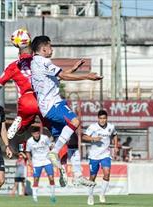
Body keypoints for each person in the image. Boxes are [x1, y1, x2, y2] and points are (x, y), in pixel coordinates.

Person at [30, 35, 103, 186]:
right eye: (50, 46)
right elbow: (62, 75)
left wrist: (74, 69)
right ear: (43, 48)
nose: (52, 49)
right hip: (53, 104)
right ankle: (54, 152)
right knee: (75, 121)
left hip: (46, 107)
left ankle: (74, 174)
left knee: (72, 138)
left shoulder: (36, 62)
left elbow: (57, 77)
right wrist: (87, 77)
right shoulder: (44, 61)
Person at [0, 29, 43, 140]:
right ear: (32, 52)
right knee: (49, 123)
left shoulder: (13, 66)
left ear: (18, 54)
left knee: (25, 121)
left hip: (26, 99)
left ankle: (20, 124)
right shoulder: (39, 62)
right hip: (41, 98)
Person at [82, 110, 119, 205]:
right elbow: (84, 137)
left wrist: (115, 147)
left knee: (107, 173)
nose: (102, 120)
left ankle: (102, 194)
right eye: (101, 118)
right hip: (94, 156)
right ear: (98, 118)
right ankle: (90, 196)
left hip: (105, 155)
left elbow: (114, 135)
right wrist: (93, 138)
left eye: (104, 118)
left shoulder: (111, 127)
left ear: (107, 118)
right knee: (92, 177)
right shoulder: (93, 127)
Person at [25, 126, 56, 203]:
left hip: (47, 160)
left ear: (39, 133)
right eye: (35, 134)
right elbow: (27, 152)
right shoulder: (29, 141)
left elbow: (50, 146)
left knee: (51, 178)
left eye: (38, 133)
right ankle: (35, 197)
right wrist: (29, 161)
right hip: (36, 162)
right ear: (32, 134)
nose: (36, 135)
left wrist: (53, 149)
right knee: (36, 179)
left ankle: (52, 195)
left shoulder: (45, 138)